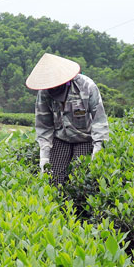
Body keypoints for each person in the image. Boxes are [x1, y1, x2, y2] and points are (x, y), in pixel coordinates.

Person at [28, 53, 110, 185]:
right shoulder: (44, 93)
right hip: (61, 138)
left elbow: (99, 120)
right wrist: (44, 156)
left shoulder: (86, 86)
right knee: (54, 179)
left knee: (80, 178)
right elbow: (44, 126)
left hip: (84, 138)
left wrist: (98, 148)